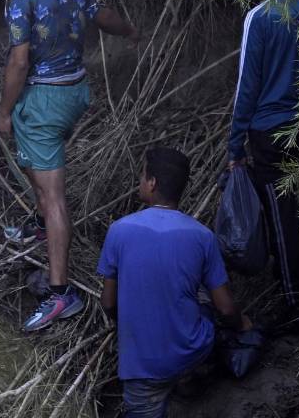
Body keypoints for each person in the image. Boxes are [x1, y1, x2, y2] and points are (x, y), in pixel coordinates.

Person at [0, 0, 140, 331]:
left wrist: (3, 113)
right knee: (40, 165)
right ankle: (39, 226)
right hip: (75, 92)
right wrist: (129, 31)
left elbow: (19, 64)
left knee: (53, 195)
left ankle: (61, 294)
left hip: (45, 102)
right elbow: (103, 16)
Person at [99, 147, 253, 417]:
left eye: (142, 176)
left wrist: (132, 327)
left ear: (152, 183)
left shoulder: (119, 231)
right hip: (190, 351)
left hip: (142, 366)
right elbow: (226, 309)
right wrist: (243, 325)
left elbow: (109, 303)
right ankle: (190, 379)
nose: (140, 181)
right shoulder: (202, 236)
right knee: (202, 291)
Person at [227, 0, 299, 316]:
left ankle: (297, 302)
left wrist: (235, 146)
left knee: (282, 218)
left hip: (271, 131)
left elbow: (247, 87)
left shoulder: (261, 16)